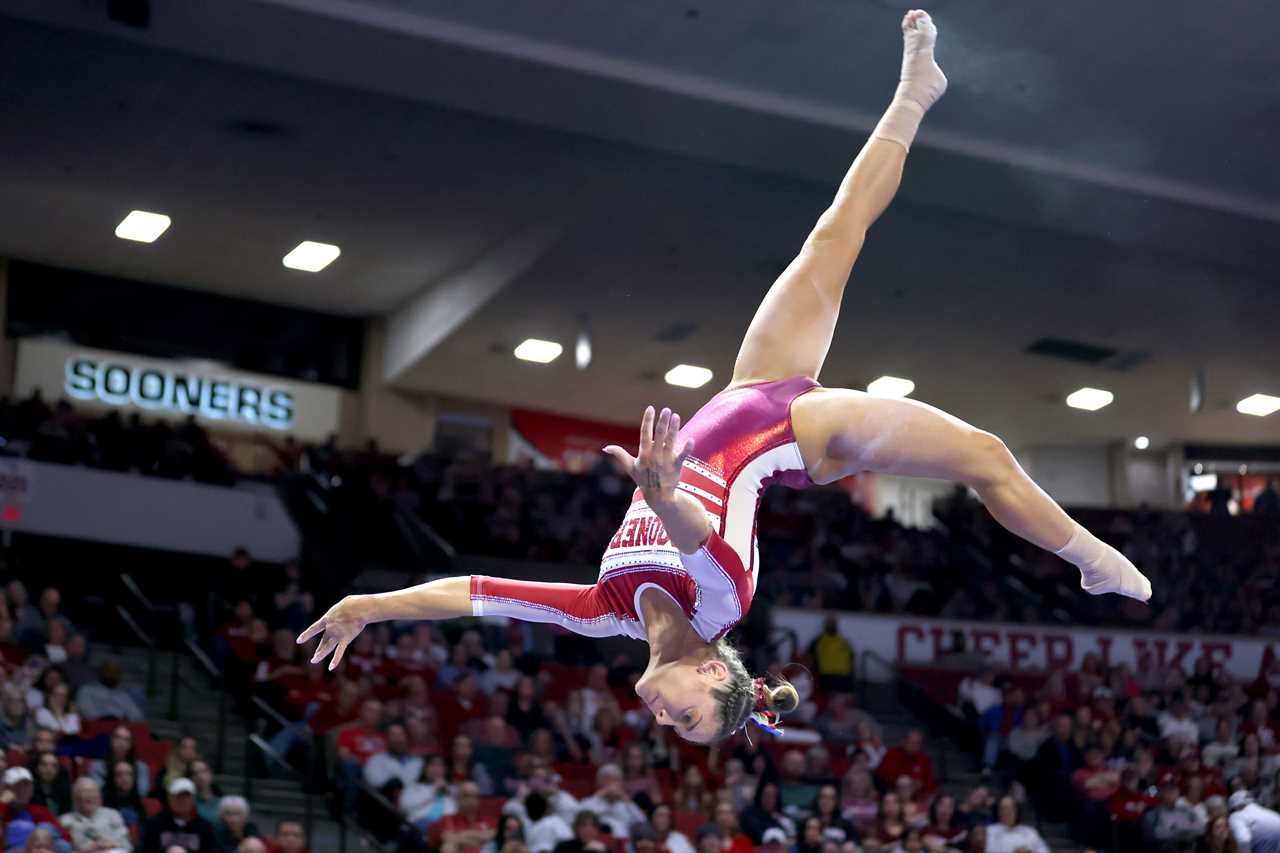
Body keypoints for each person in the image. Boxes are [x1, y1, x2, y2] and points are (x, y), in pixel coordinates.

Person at [300, 10, 1151, 746]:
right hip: (797, 433)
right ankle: (1094, 560)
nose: (663, 719)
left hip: (753, 385)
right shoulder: (720, 605)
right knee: (988, 455)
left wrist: (371, 605)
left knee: (835, 232)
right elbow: (695, 537)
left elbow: (476, 595)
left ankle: (915, 92)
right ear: (714, 670)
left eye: (672, 729)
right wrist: (665, 492)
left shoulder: (603, 608)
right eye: (691, 718)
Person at [0, 767, 70, 852]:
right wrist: (2, 804)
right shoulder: (3, 811)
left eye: (26, 785)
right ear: (6, 789)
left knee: (53, 836)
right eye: (17, 786)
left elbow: (65, 837)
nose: (23, 790)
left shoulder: (40, 811)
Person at [139, 779, 217, 853]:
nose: (182, 800)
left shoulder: (204, 828)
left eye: (186, 796)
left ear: (193, 799)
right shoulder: (154, 824)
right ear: (170, 798)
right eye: (178, 796)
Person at [59, 777, 131, 853]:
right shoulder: (64, 821)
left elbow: (127, 845)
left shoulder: (113, 815)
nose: (89, 796)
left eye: (93, 791)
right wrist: (85, 849)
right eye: (84, 791)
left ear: (100, 797)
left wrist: (111, 844)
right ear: (75, 798)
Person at [89, 727, 152, 798]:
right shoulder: (97, 766)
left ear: (131, 744)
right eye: (118, 737)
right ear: (111, 740)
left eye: (126, 739)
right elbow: (97, 792)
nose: (121, 742)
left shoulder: (141, 767)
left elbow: (142, 792)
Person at [74, 663, 143, 723]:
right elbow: (85, 711)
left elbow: (137, 716)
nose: (112, 675)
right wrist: (106, 717)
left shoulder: (123, 695)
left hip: (120, 728)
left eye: (115, 672)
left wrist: (122, 719)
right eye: (109, 671)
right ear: (101, 672)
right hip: (95, 727)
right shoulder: (87, 690)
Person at [983, 796, 1048, 853]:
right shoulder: (990, 831)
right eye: (1003, 808)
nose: (1006, 812)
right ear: (998, 811)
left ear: (1016, 810)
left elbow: (1044, 850)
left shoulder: (1030, 832)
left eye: (1010, 808)